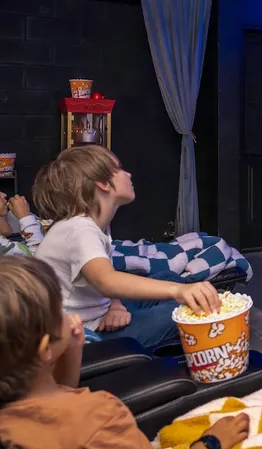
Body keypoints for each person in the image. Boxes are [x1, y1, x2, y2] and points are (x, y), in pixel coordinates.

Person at [0, 256, 250, 449]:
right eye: (60, 310)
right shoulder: (100, 418)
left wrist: (71, 350)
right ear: (46, 349)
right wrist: (210, 444)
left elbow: (56, 394)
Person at [33, 145, 222, 348]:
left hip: (96, 316)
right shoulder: (80, 230)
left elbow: (100, 279)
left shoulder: (92, 225)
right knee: (190, 311)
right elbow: (106, 280)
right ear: (103, 183)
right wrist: (179, 291)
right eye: (119, 168)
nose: (128, 174)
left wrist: (115, 306)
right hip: (84, 335)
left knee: (168, 278)